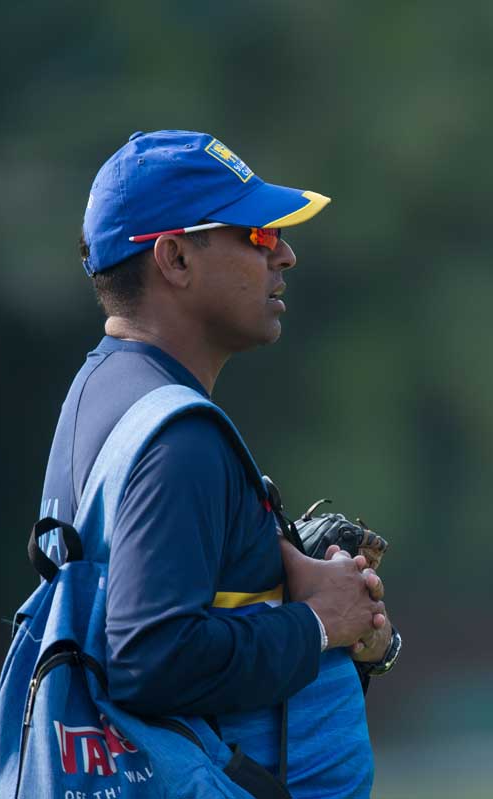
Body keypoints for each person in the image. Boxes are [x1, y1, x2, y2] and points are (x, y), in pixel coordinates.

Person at [40, 129, 396, 798]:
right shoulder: (178, 437)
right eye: (258, 235)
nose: (284, 253)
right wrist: (320, 622)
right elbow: (149, 657)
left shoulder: (102, 390)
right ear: (175, 258)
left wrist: (287, 585)